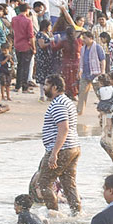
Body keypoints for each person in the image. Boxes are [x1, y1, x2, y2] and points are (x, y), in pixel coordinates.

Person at [36, 75, 82, 215]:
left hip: (62, 149)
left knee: (44, 183)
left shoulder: (58, 104)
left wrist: (54, 153)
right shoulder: (66, 101)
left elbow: (64, 128)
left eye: (46, 85)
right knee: (68, 183)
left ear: (55, 87)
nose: (44, 88)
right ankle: (77, 212)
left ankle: (53, 214)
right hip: (73, 147)